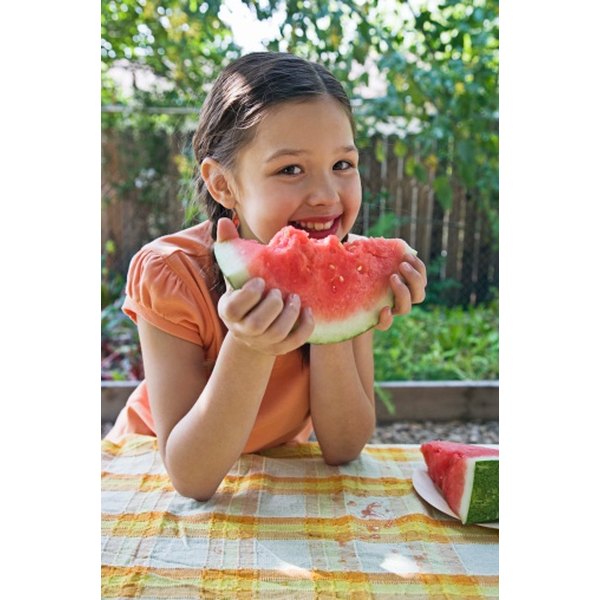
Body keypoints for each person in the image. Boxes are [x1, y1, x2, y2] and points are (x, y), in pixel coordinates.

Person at [105, 52, 427, 501]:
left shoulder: (343, 263)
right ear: (223, 184)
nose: (326, 195)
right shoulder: (170, 273)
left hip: (269, 479)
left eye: (342, 165)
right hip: (143, 475)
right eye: (290, 169)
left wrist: (333, 318)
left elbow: (344, 445)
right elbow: (191, 478)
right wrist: (250, 344)